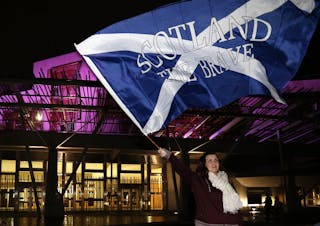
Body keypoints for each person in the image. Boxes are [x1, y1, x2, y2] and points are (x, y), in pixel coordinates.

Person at [158, 147, 243, 226]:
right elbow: (183, 171)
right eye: (210, 160)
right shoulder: (199, 180)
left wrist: (238, 220)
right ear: (204, 164)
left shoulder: (226, 180)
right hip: (208, 223)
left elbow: (235, 206)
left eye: (216, 160)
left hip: (232, 223)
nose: (214, 163)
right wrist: (169, 156)